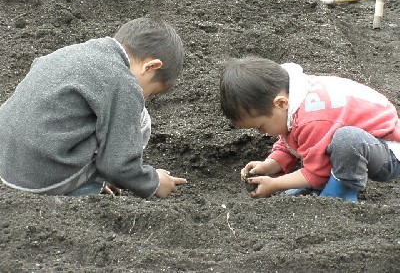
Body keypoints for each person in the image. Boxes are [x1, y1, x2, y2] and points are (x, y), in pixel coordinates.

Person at [0, 17, 187, 198]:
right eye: (151, 92)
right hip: (41, 177)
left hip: (7, 162)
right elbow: (116, 165)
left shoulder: (77, 52)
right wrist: (153, 182)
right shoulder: (123, 82)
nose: (146, 97)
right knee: (140, 118)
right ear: (150, 66)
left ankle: (83, 179)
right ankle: (82, 190)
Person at [219, 56, 400, 202]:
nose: (262, 133)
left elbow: (317, 172)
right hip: (368, 142)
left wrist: (275, 184)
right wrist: (269, 165)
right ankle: (329, 183)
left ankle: (342, 192)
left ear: (281, 103)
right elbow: (291, 140)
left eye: (261, 127)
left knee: (347, 140)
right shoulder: (293, 97)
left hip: (388, 151)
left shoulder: (311, 118)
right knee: (339, 140)